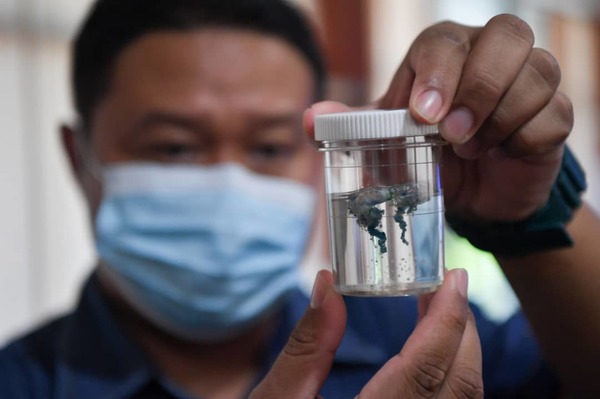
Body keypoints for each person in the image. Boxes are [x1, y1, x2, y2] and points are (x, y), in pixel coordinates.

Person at [1, 0, 600, 397]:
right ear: (80, 158)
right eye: (176, 148)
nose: (229, 185)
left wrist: (527, 219)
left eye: (267, 148)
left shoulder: (415, 337)